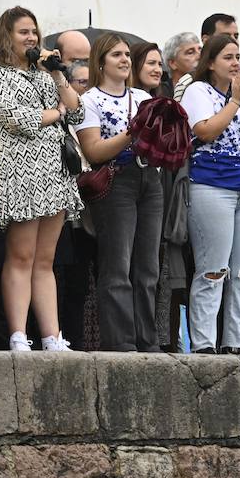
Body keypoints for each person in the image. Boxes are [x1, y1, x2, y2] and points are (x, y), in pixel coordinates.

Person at [0, 6, 82, 352]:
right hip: (21, 174)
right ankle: (18, 334)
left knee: (45, 259)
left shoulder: (43, 74)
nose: (31, 38)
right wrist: (55, 114)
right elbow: (16, 118)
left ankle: (52, 335)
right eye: (24, 32)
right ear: (7, 35)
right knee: (20, 256)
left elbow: (77, 108)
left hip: (54, 173)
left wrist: (57, 74)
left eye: (34, 32)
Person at [76, 33, 162, 352]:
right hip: (116, 180)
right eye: (116, 55)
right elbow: (95, 151)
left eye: (127, 54)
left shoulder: (141, 96)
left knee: (148, 266)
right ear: (101, 62)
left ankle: (147, 340)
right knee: (118, 266)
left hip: (149, 178)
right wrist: (132, 132)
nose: (125, 60)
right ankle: (122, 342)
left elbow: (158, 143)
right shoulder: (90, 100)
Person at [181, 33, 240, 355]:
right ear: (210, 63)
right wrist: (236, 100)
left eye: (238, 56)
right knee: (213, 269)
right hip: (211, 185)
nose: (236, 62)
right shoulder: (197, 91)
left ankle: (236, 343)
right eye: (228, 57)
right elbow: (205, 130)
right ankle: (202, 344)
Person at [173, 15, 239, 100]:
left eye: (236, 36)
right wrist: (236, 102)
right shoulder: (187, 83)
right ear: (206, 40)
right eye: (225, 36)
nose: (234, 41)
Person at [164, 32, 201, 103]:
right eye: (190, 52)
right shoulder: (160, 93)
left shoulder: (210, 86)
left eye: (200, 50)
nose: (199, 55)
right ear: (172, 63)